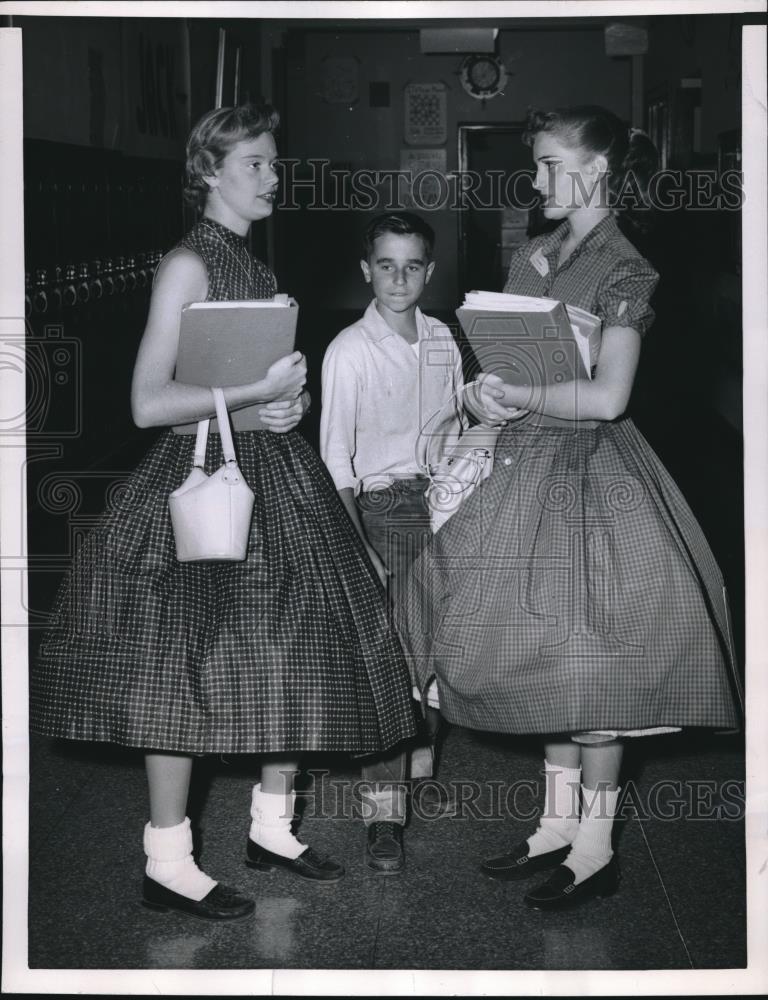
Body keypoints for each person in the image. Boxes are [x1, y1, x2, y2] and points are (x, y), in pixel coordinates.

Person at [31, 103, 417, 920]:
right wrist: (256, 396)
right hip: (202, 483)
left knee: (292, 647)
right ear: (209, 170)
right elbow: (145, 403)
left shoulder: (248, 258)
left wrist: (277, 408)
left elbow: (237, 391)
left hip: (270, 468)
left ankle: (271, 827)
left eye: (276, 163)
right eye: (257, 164)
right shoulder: (187, 264)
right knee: (182, 665)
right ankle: (166, 858)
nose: (274, 177)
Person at [402, 106, 742, 910]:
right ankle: (556, 825)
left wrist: (522, 390)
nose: (537, 180)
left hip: (593, 473)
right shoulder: (535, 254)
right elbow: (511, 362)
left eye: (553, 165)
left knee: (591, 655)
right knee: (539, 648)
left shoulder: (626, 269)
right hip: (522, 461)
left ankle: (595, 846)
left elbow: (610, 396)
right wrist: (480, 401)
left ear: (596, 171)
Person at [320, 212, 465, 874]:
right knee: (394, 662)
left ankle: (421, 744)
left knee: (441, 643)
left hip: (443, 500)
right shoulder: (350, 349)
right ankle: (383, 814)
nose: (399, 277)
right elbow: (336, 464)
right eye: (386, 264)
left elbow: (456, 429)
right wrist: (361, 548)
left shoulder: (442, 338)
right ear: (365, 269)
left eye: (412, 266)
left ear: (429, 272)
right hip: (381, 508)